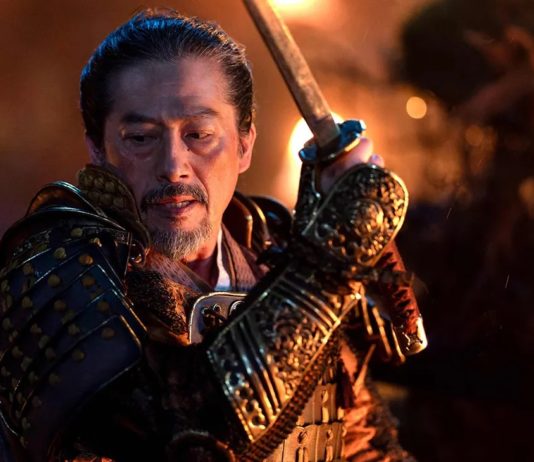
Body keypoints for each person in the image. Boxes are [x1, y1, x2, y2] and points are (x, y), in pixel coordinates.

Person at [0, 9, 424, 462]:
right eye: (140, 138)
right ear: (98, 151)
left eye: (199, 134)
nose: (173, 165)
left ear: (245, 144)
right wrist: (324, 265)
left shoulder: (271, 251)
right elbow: (178, 435)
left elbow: (363, 445)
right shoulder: (53, 269)